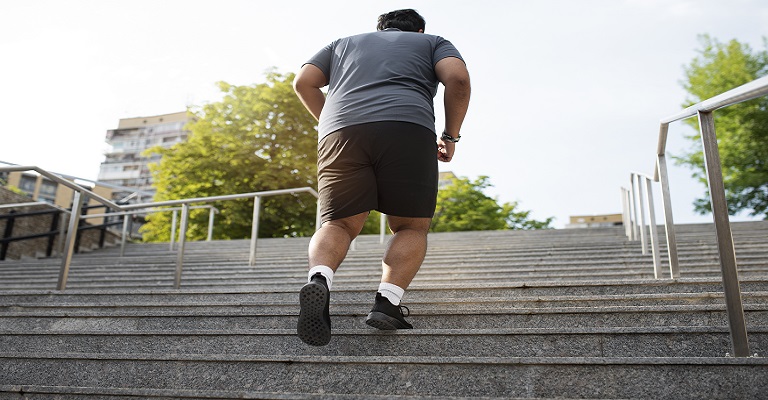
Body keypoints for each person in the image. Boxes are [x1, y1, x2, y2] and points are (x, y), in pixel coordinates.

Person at [293, 8, 471, 346]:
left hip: (340, 134)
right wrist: (450, 136)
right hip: (407, 128)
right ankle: (387, 302)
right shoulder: (434, 43)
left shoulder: (341, 44)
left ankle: (319, 279)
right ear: (418, 31)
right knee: (410, 226)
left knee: (338, 223)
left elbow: (303, 82)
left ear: (379, 28)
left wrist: (332, 121)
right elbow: (458, 80)